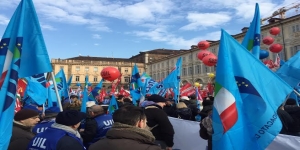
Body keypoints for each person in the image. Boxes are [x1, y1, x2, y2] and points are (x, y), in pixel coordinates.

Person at [89, 105, 161, 150]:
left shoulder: (94, 146)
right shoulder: (151, 148)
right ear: (140, 123)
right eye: (146, 122)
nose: (146, 125)